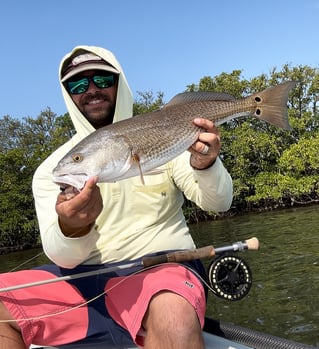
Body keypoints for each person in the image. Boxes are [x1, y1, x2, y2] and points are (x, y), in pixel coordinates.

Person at [0, 45, 233, 349]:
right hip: (82, 283)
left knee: (174, 319)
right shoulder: (54, 170)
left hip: (160, 271)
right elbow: (62, 256)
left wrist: (206, 163)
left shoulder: (167, 134)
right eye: (79, 84)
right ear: (68, 94)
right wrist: (73, 225)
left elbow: (218, 203)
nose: (92, 90)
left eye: (103, 79)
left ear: (120, 82)